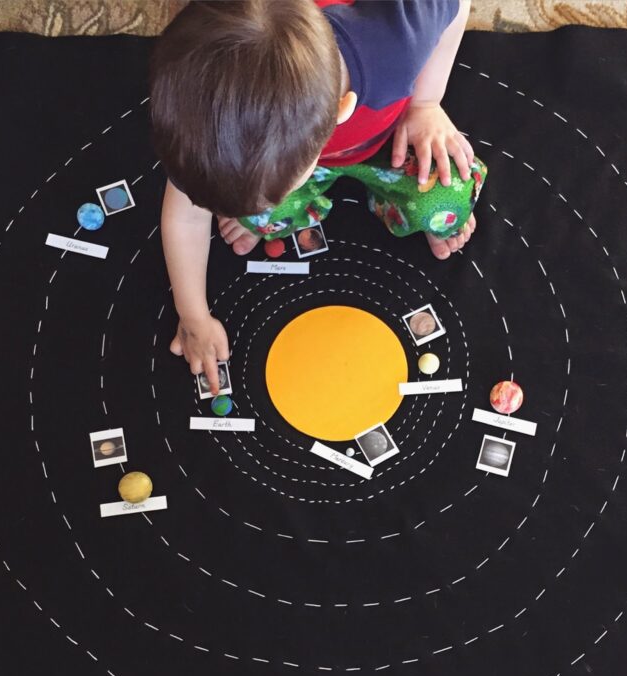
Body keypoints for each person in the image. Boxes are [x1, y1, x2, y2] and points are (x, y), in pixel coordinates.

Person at [150, 0, 487, 392]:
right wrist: (193, 316)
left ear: (341, 109)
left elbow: (457, 5)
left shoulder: (394, 45)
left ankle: (308, 190)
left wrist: (427, 103)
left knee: (447, 196)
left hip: (388, 138)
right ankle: (276, 191)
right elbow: (185, 215)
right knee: (241, 198)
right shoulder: (205, 121)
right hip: (297, 155)